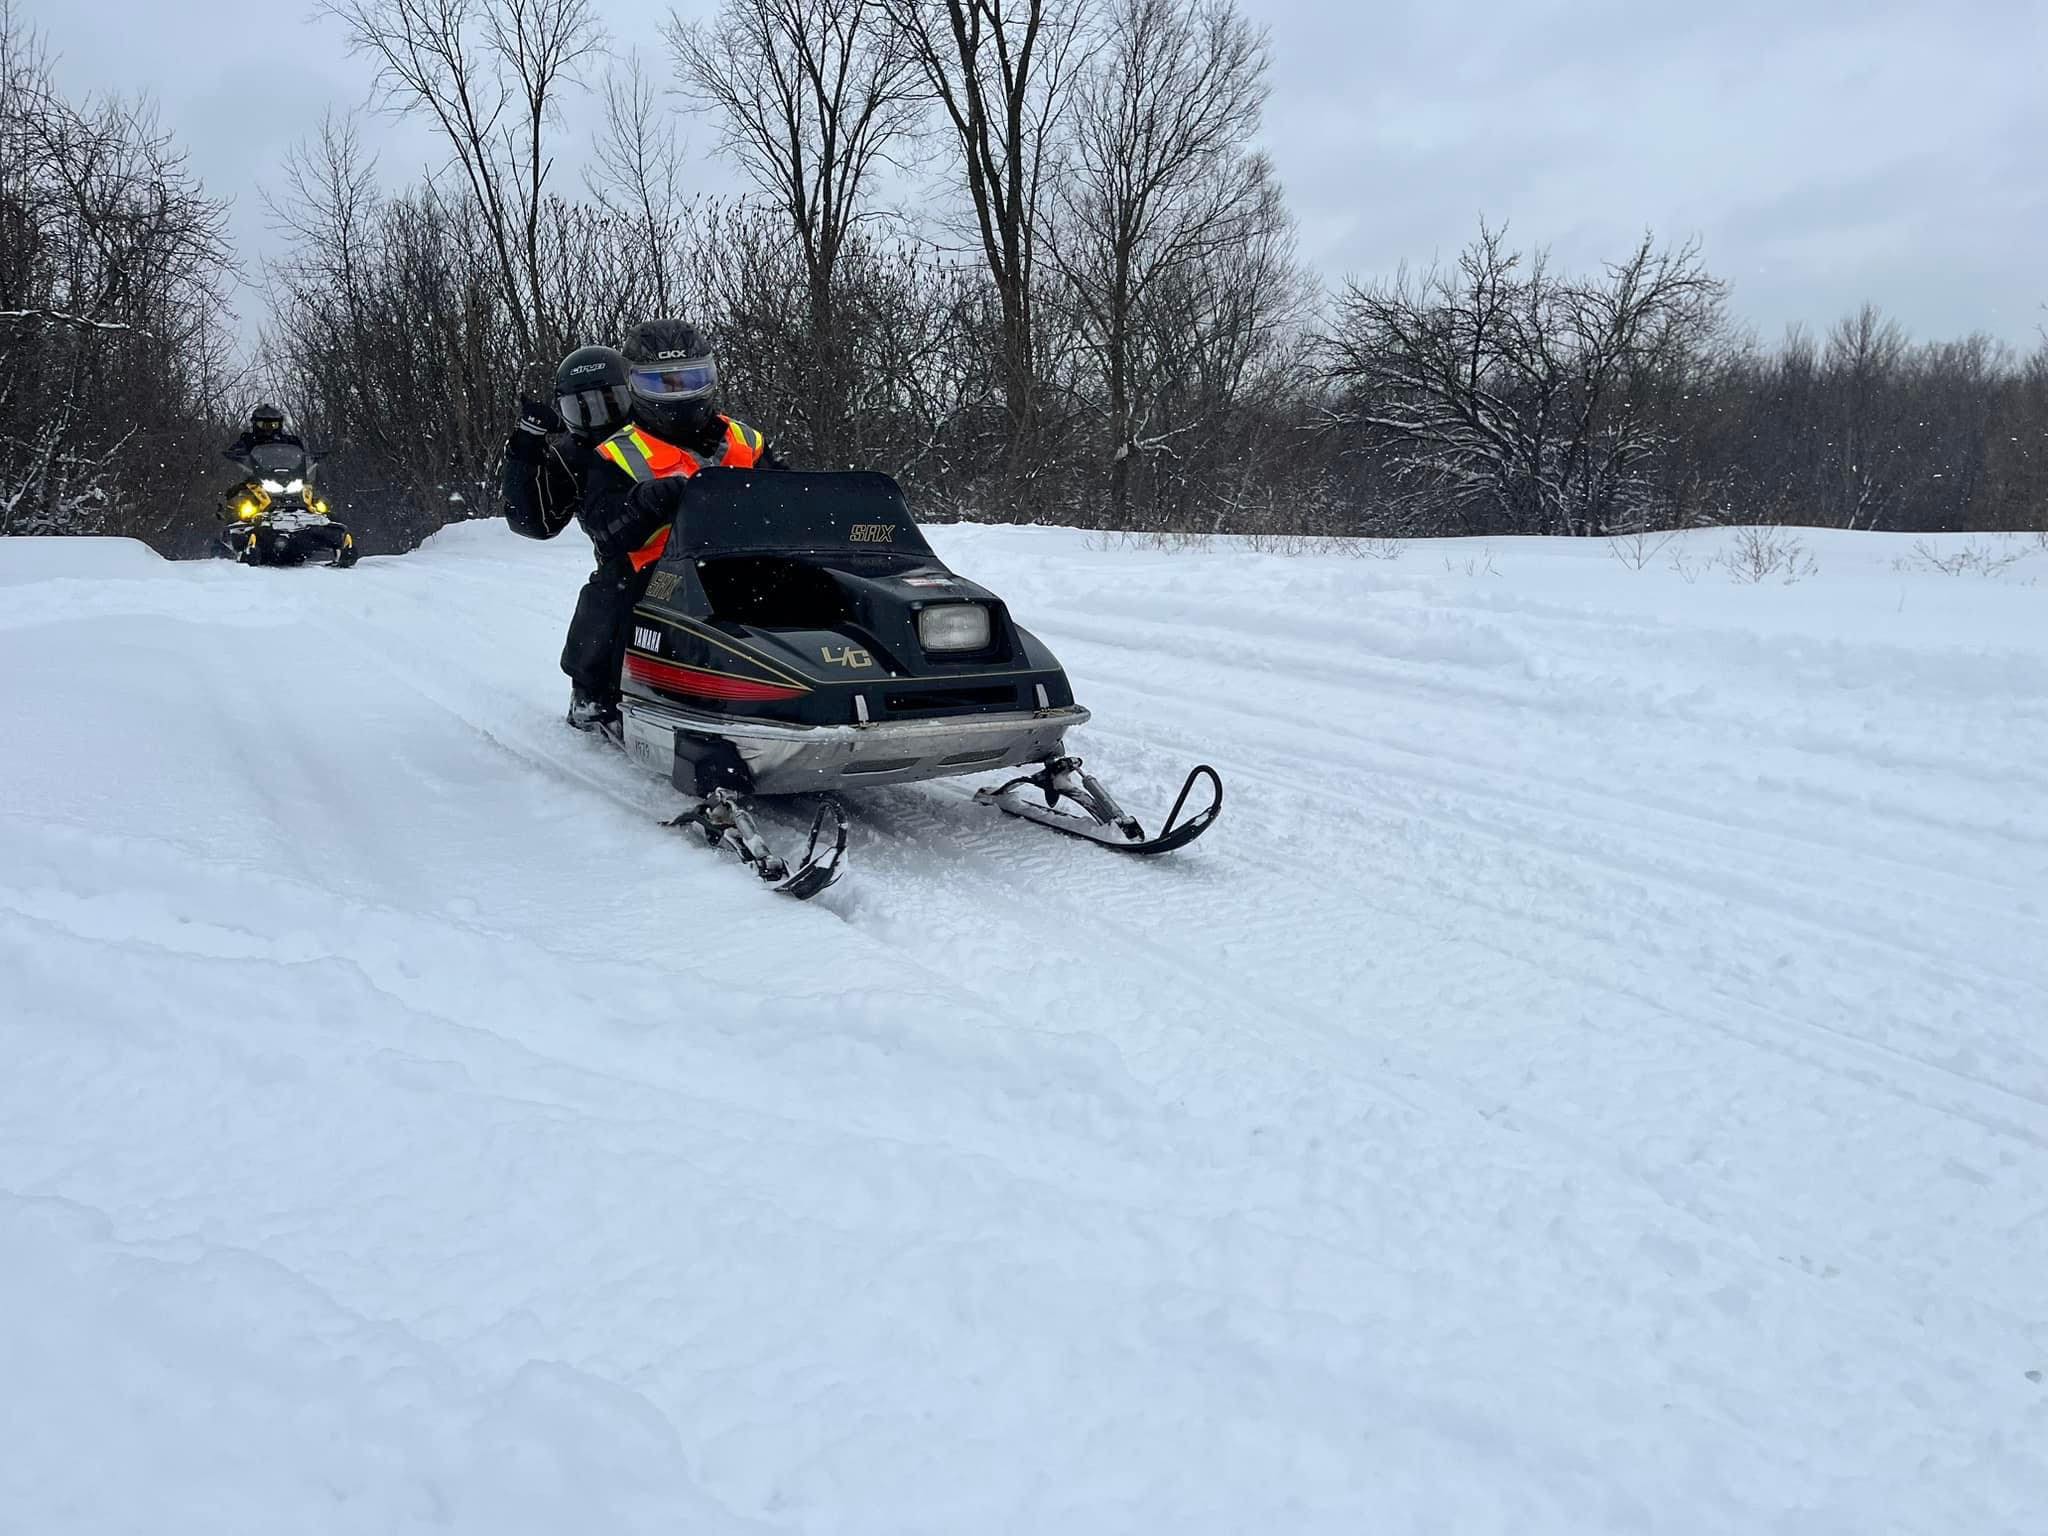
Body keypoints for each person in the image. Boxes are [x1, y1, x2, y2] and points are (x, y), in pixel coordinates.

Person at [562, 318, 784, 733]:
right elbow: (601, 524)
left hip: (745, 557)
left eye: (690, 378)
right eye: (662, 383)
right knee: (613, 590)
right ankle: (592, 689)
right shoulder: (616, 452)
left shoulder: (746, 440)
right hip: (658, 568)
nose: (679, 393)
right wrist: (642, 501)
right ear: (635, 385)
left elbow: (789, 494)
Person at [501, 345, 634, 541]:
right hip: (625, 563)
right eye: (582, 408)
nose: (598, 416)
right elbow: (534, 523)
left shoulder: (659, 433)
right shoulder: (571, 457)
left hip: (687, 551)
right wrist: (525, 448)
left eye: (610, 402)